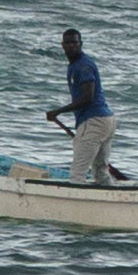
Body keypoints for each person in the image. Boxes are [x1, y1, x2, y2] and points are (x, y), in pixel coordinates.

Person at [48, 22, 121, 186]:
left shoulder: (83, 66)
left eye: (75, 42)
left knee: (77, 173)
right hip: (106, 120)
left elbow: (88, 97)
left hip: (94, 121)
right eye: (68, 42)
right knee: (101, 171)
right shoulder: (78, 64)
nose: (71, 46)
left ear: (81, 44)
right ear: (62, 45)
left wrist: (58, 111)